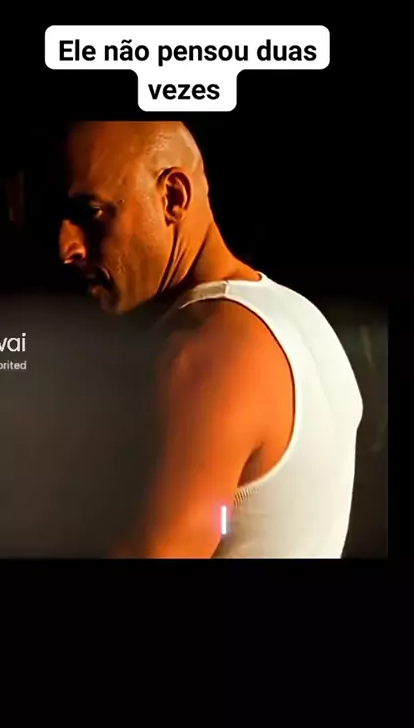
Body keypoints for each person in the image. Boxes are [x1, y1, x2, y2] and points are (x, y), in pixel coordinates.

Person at [59, 120, 363, 558]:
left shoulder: (206, 351)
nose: (67, 247)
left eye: (91, 214)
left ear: (173, 197)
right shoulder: (300, 316)